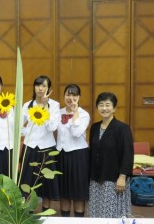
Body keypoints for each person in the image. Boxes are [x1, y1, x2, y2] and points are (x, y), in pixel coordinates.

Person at [87, 92, 134, 218]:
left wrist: (122, 177)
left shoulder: (122, 128)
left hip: (114, 179)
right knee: (96, 213)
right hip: (96, 178)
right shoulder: (94, 127)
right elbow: (93, 152)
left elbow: (128, 154)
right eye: (101, 105)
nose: (104, 108)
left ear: (114, 108)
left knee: (111, 214)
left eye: (108, 105)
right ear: (97, 107)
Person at [19, 75, 60, 211]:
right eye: (38, 85)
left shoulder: (54, 105)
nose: (40, 88)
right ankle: (27, 212)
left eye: (44, 86)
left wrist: (45, 106)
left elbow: (52, 127)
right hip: (30, 147)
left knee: (47, 182)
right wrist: (26, 133)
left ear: (49, 88)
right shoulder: (28, 105)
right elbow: (18, 126)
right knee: (26, 181)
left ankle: (45, 213)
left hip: (47, 148)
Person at [56, 84, 90, 217]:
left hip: (78, 156)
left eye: (74, 95)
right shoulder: (58, 112)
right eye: (68, 95)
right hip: (62, 155)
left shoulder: (84, 114)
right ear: (64, 96)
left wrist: (75, 112)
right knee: (64, 193)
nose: (71, 98)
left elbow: (76, 133)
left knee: (78, 193)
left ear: (79, 97)